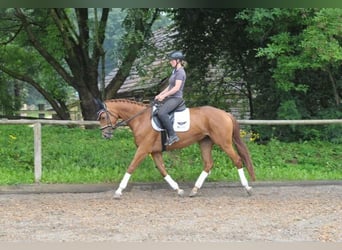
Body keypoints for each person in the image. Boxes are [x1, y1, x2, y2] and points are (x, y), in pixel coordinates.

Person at [155, 51, 186, 146]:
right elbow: (170, 86)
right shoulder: (175, 72)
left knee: (162, 112)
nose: (170, 62)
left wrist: (164, 96)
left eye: (172, 60)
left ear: (178, 61)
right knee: (156, 108)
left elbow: (176, 88)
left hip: (176, 98)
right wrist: (160, 94)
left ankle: (172, 135)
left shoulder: (180, 72)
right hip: (171, 97)